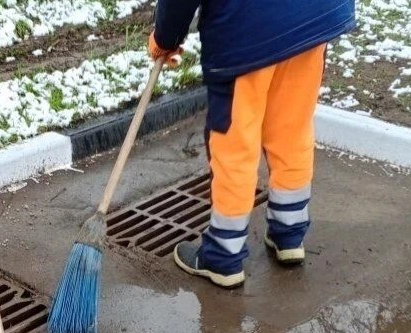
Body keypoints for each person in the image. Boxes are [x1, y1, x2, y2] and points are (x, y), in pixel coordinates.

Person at [149, 0, 355, 288]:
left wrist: (165, 38)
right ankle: (289, 234)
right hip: (314, 17)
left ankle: (222, 254)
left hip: (245, 33)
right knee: (291, 128)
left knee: (235, 144)